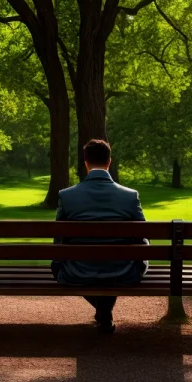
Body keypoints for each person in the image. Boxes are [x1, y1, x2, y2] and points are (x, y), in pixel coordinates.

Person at [51, 139, 148, 333]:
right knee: (115, 262)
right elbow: (143, 236)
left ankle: (103, 312)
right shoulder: (130, 196)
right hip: (123, 272)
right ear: (109, 162)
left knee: (76, 265)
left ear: (85, 163)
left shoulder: (66, 196)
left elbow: (59, 239)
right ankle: (105, 311)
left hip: (77, 272)